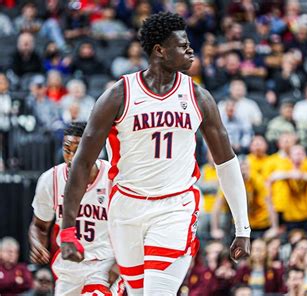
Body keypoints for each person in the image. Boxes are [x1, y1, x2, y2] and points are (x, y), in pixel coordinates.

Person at [60, 12, 251, 295]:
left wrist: (242, 228)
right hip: (126, 207)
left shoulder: (198, 97)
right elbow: (83, 162)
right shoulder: (119, 95)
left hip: (176, 207)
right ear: (160, 50)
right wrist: (67, 230)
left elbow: (226, 162)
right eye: (182, 44)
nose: (190, 50)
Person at [29, 122, 118, 295]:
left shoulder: (112, 177)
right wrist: (37, 244)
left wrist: (119, 265)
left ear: (94, 149)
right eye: (67, 149)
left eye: (77, 150)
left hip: (104, 264)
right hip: (69, 268)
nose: (71, 157)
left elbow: (130, 228)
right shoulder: (50, 180)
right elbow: (39, 225)